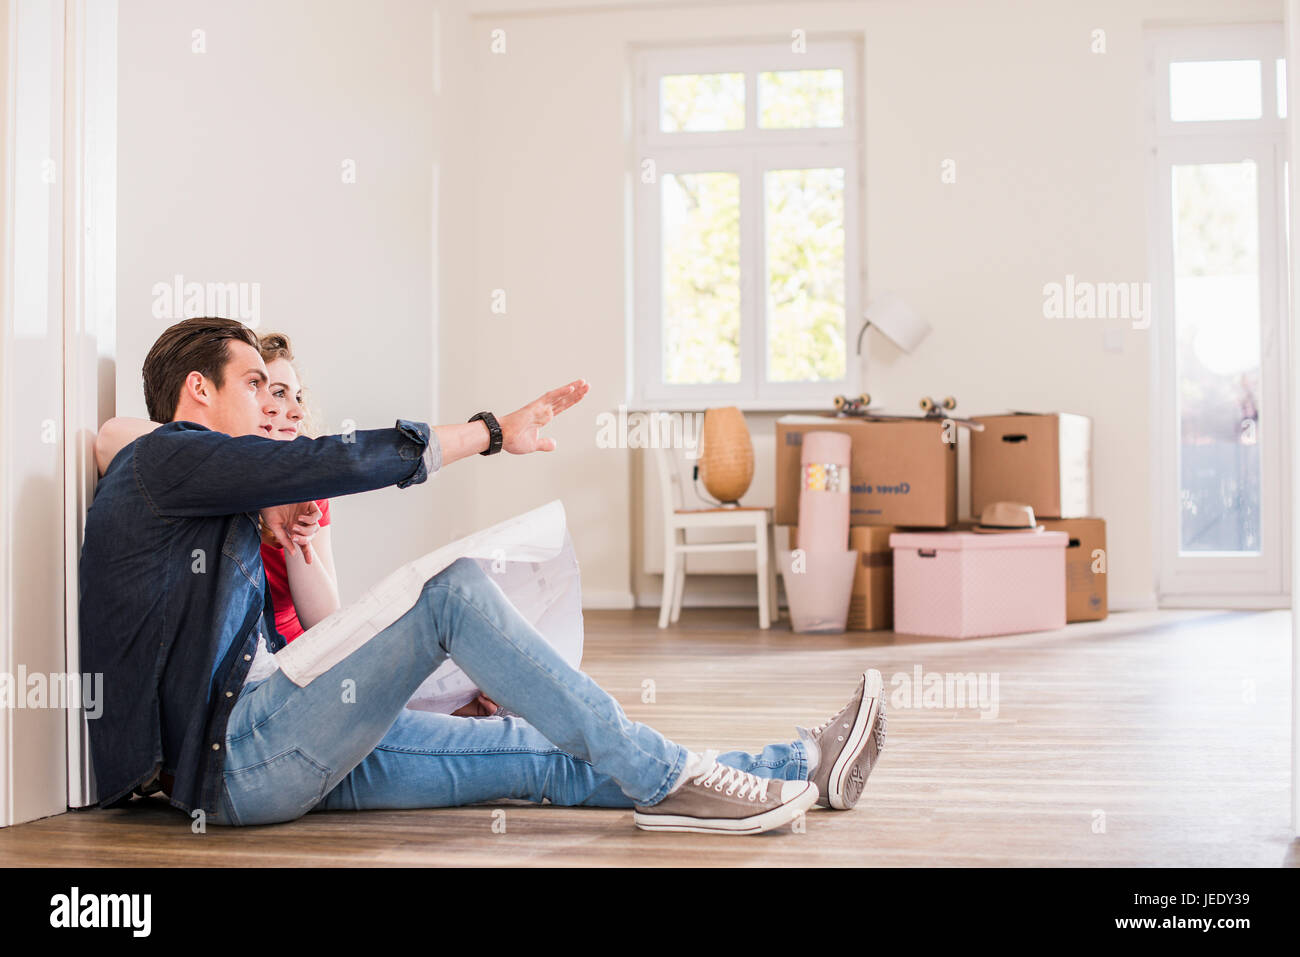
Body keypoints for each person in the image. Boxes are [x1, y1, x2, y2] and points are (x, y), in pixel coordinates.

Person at [79, 316, 886, 835]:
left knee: (530, 752)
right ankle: (671, 781)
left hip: (276, 742)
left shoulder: (190, 481)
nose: (270, 404)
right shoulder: (168, 458)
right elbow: (338, 456)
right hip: (240, 760)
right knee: (454, 590)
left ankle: (798, 765)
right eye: (255, 383)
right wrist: (491, 431)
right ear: (198, 390)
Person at [94, 331, 502, 719]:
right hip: (253, 682)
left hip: (299, 657)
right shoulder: (198, 474)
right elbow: (113, 438)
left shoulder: (307, 494)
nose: (294, 410)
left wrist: (295, 538)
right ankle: (437, 706)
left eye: (296, 396)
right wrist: (243, 471)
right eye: (273, 392)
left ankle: (445, 701)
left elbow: (324, 621)